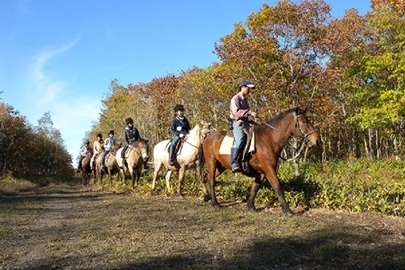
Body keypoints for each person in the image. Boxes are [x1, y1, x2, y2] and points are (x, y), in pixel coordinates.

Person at [229, 79, 257, 173]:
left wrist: (251, 121)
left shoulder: (245, 100)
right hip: (238, 123)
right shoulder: (235, 99)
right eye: (248, 88)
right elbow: (236, 113)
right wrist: (250, 112)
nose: (249, 90)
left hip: (246, 123)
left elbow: (245, 115)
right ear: (243, 87)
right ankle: (234, 163)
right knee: (240, 140)